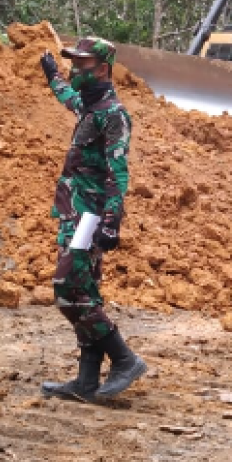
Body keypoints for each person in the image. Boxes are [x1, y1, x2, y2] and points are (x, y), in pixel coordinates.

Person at [36, 37, 148, 402]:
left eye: (81, 64)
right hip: (74, 210)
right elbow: (69, 97)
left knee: (67, 287)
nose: (75, 70)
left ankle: (124, 358)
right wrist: (53, 77)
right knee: (85, 290)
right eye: (72, 63)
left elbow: (119, 169)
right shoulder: (89, 106)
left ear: (102, 69)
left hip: (90, 216)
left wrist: (112, 219)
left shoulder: (114, 114)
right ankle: (86, 381)